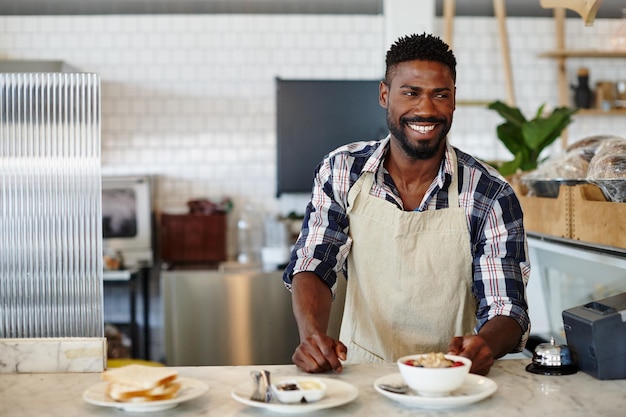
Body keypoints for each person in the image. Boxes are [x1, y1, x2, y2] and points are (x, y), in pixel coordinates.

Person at [282, 33, 530, 376]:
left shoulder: (490, 194)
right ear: (385, 95)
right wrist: (312, 337)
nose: (426, 109)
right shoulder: (342, 170)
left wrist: (485, 344)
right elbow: (314, 262)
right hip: (360, 375)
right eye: (411, 92)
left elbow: (507, 306)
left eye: (440, 94)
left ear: (454, 99)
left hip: (453, 378)